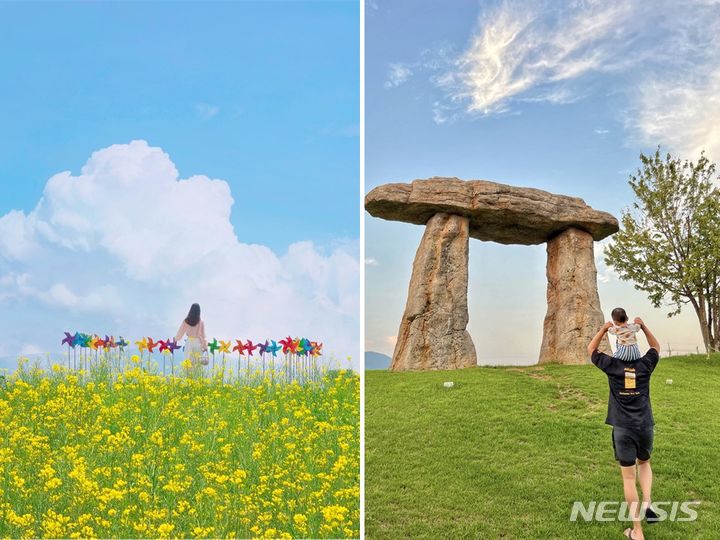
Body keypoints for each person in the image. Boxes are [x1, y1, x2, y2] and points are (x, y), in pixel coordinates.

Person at [587, 317, 661, 540]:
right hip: (645, 425)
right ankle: (648, 502)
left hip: (623, 429)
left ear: (618, 346)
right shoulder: (645, 364)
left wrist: (604, 328)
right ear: (635, 343)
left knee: (629, 478)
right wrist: (644, 325)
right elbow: (655, 347)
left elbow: (591, 349)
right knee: (645, 463)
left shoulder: (612, 365)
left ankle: (636, 531)